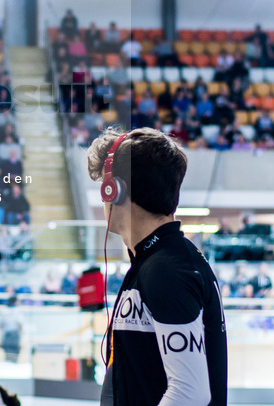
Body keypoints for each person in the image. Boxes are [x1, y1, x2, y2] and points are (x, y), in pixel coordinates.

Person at [86, 127, 227, 406]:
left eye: (104, 185)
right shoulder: (156, 262)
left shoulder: (167, 270)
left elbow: (190, 393)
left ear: (115, 190)